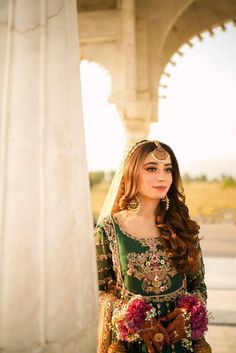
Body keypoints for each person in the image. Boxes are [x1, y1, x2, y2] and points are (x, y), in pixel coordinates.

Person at [95, 140, 210, 353]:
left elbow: (198, 286)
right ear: (131, 173)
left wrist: (188, 314)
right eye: (151, 169)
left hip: (179, 343)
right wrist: (132, 318)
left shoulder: (182, 225)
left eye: (168, 169)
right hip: (130, 343)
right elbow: (97, 292)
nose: (162, 177)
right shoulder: (109, 230)